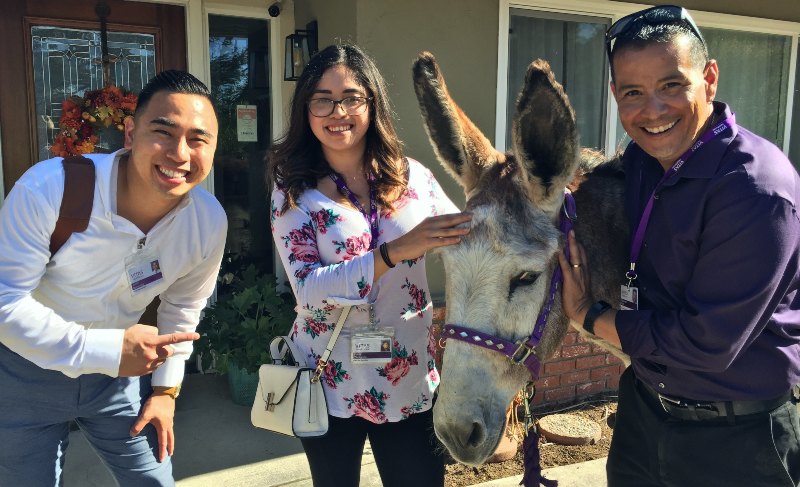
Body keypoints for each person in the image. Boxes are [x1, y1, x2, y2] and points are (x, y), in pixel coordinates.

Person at [558, 5, 800, 486]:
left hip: (738, 440)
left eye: (672, 85)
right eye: (633, 92)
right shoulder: (644, 161)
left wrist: (588, 316)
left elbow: (704, 345)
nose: (652, 110)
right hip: (644, 417)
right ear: (614, 96)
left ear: (709, 78)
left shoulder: (756, 190)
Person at [0, 70, 227, 486]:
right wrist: (103, 349)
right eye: (163, 131)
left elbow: (183, 308)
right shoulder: (49, 188)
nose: (179, 153)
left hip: (117, 381)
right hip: (23, 373)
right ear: (129, 133)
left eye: (198, 139)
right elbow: (5, 303)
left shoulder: (207, 221)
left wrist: (165, 392)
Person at [267, 44, 471, 487]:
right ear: (306, 109)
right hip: (328, 376)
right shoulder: (293, 192)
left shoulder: (412, 176)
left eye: (351, 97)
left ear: (372, 103)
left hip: (408, 374)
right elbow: (309, 291)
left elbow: (467, 237)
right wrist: (394, 252)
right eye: (322, 98)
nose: (336, 110)